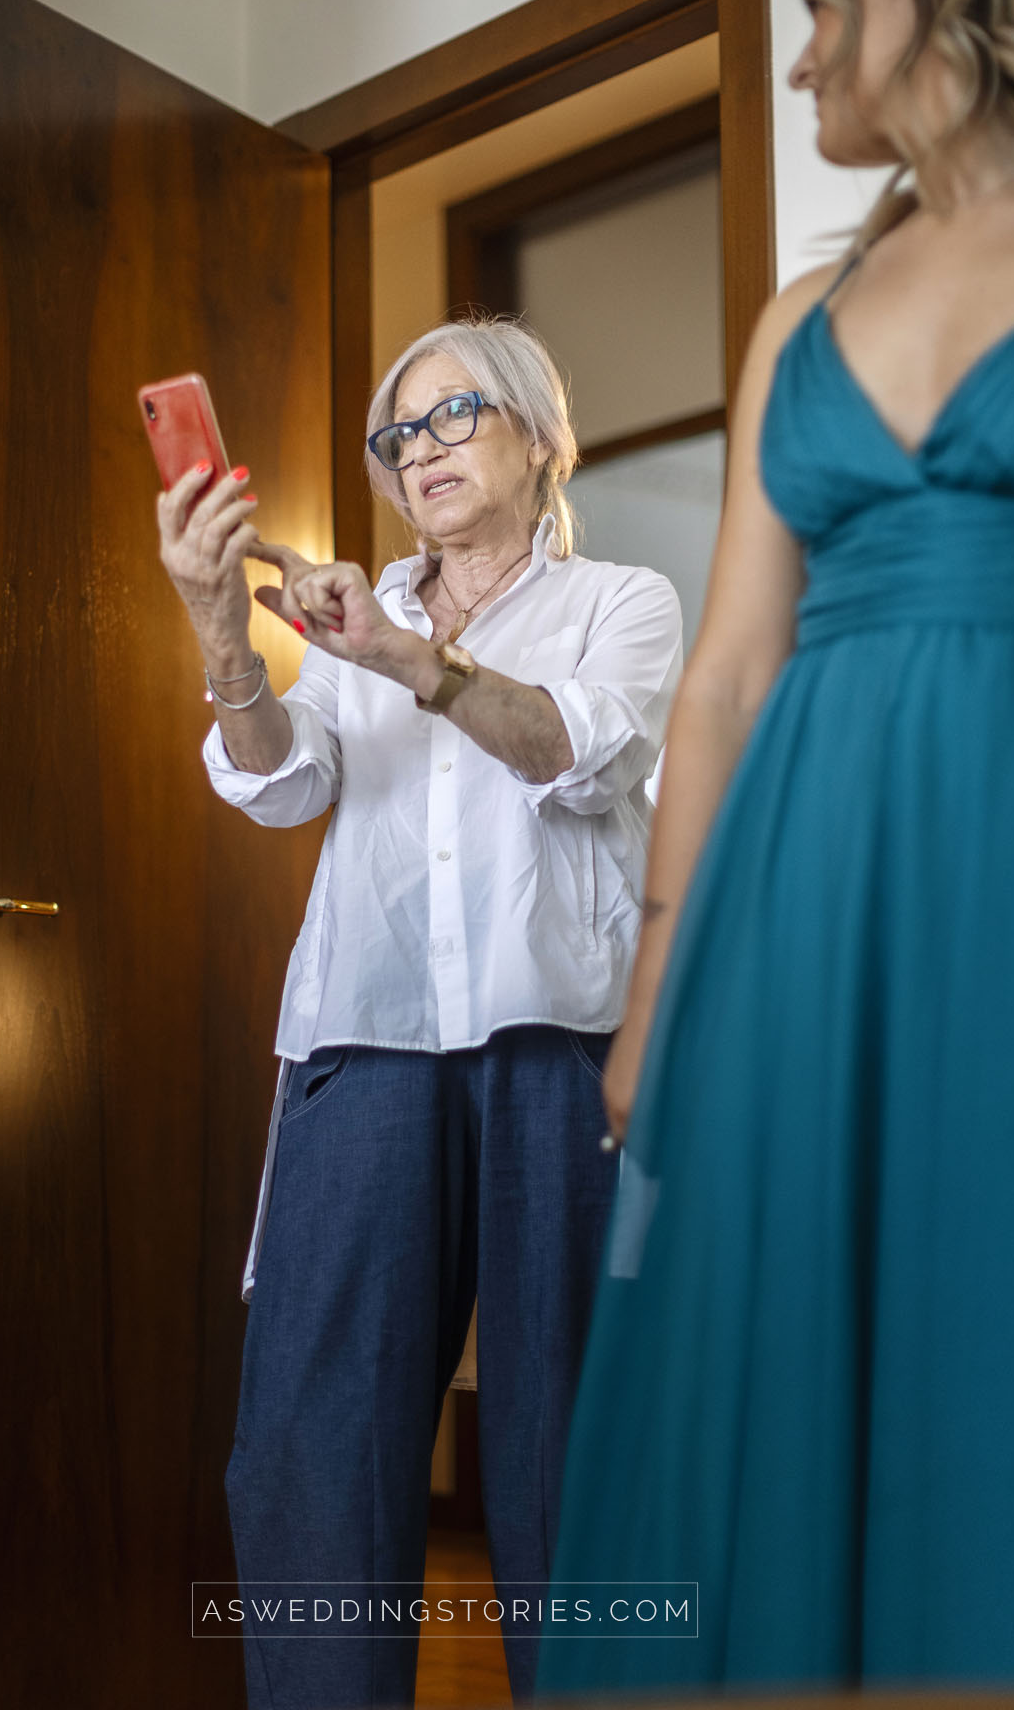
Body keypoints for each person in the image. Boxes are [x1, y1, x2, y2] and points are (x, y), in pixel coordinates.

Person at [536, 0, 1014, 1697]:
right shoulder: (797, 321)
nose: (795, 70)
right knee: (794, 1329)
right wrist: (653, 980)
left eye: (815, 13)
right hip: (806, 888)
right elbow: (718, 681)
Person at [156, 317, 682, 1707]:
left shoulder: (619, 604)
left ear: (535, 436)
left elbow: (571, 756)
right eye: (400, 435)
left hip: (559, 1058)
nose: (421, 451)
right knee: (311, 1443)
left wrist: (402, 656)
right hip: (359, 1050)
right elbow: (279, 781)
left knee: (572, 1441)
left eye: (455, 418)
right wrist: (226, 631)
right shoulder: (342, 623)